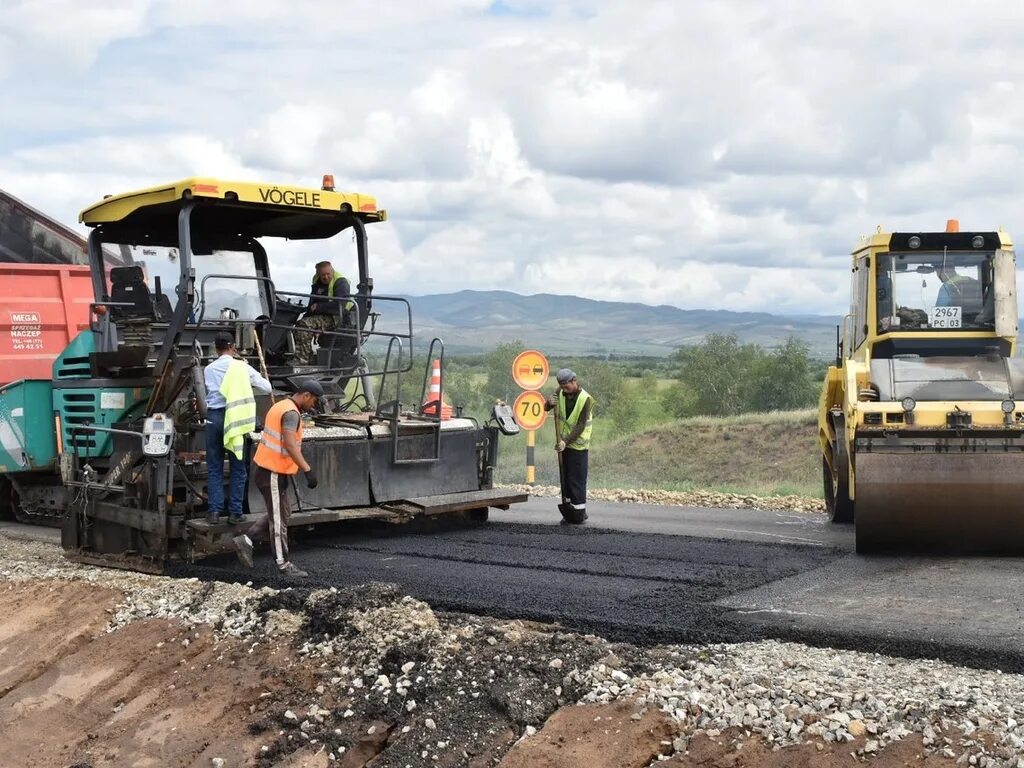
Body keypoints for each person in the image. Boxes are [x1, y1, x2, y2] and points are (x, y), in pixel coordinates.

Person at [233, 379, 323, 579]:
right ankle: (283, 564)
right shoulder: (291, 413)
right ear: (306, 395)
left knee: (282, 512)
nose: (313, 405)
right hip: (271, 472)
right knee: (278, 520)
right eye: (314, 401)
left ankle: (246, 540)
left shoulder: (281, 405)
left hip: (271, 470)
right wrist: (307, 469)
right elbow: (290, 445)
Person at [204, 332, 272, 525]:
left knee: (215, 466)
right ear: (233, 346)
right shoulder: (242, 367)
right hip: (236, 420)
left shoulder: (208, 369)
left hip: (214, 418)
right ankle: (235, 512)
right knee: (238, 467)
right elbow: (266, 388)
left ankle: (215, 512)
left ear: (216, 348)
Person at [544, 368, 594, 524]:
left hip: (578, 447)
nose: (564, 390)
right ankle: (569, 509)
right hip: (563, 445)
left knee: (576, 480)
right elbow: (547, 407)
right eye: (562, 387)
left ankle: (579, 512)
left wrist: (565, 441)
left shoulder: (585, 399)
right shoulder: (560, 391)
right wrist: (548, 403)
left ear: (574, 381)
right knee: (566, 478)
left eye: (567, 386)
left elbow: (580, 425)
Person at [292, 261, 353, 365]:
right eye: (322, 275)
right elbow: (313, 303)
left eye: (328, 274)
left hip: (337, 317)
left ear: (332, 270)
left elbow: (339, 305)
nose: (325, 277)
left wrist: (319, 307)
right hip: (322, 315)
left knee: (304, 325)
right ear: (318, 274)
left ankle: (301, 360)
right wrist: (307, 315)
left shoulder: (341, 282)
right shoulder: (316, 281)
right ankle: (308, 357)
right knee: (298, 326)